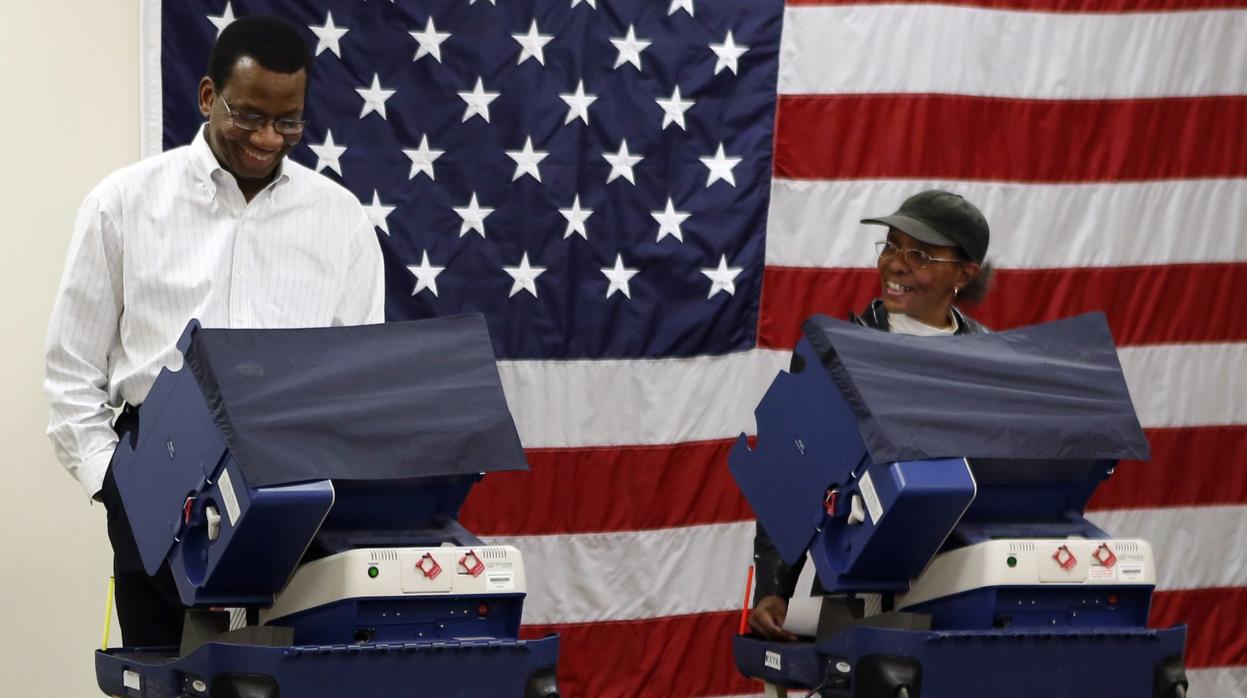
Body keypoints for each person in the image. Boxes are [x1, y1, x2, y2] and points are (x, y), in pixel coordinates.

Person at [43, 16, 384, 647]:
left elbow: (356, 379)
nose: (268, 138)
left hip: (298, 485)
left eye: (289, 122)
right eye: (249, 115)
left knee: (293, 679)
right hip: (157, 476)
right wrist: (116, 485)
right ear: (207, 97)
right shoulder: (122, 204)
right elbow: (70, 376)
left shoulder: (342, 221)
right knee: (167, 676)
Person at [748, 189, 994, 640]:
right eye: (892, 245)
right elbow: (791, 479)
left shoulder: (994, 363)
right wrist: (774, 590)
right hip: (855, 600)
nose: (895, 264)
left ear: (964, 273)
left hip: (964, 591)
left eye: (918, 253)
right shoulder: (836, 356)